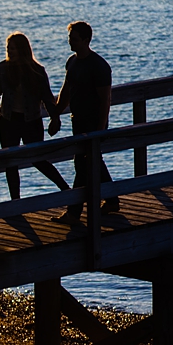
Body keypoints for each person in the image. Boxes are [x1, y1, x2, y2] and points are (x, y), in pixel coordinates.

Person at [0, 32, 70, 201]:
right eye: (8, 48)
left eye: (14, 48)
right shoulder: (2, 68)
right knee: (10, 162)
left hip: (31, 120)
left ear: (23, 50)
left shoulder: (37, 71)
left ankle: (65, 189)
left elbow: (47, 98)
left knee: (37, 159)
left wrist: (55, 117)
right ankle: (15, 201)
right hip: (8, 120)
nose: (10, 52)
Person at [53, 21, 116, 223]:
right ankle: (112, 199)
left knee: (83, 164)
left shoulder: (99, 66)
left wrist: (100, 128)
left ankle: (73, 212)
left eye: (74, 38)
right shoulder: (72, 62)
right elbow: (66, 92)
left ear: (86, 40)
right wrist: (56, 114)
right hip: (77, 120)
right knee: (92, 161)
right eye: (70, 37)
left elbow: (105, 99)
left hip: (93, 122)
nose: (70, 41)